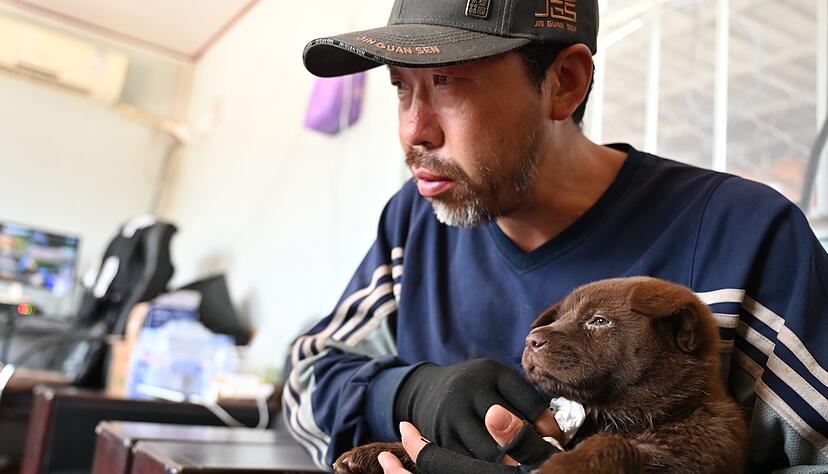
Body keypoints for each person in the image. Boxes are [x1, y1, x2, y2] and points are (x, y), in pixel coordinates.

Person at [284, 0, 828, 472]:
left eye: (446, 83)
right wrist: (408, 392)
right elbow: (305, 383)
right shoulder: (414, 223)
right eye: (402, 88)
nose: (413, 130)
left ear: (564, 83)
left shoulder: (743, 238)